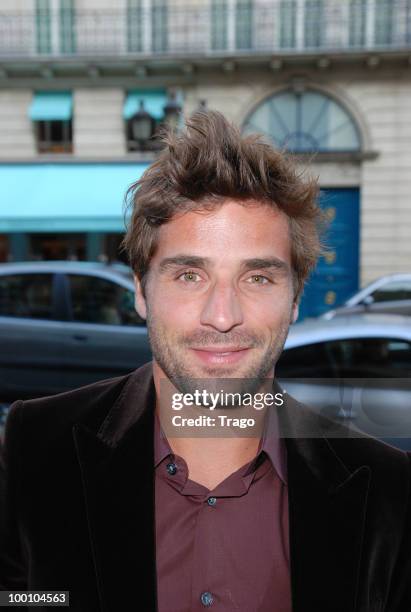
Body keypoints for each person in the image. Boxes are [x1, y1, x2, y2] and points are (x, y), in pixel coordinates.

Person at [1, 111, 410, 612]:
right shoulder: (35, 450)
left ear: (297, 298)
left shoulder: (388, 491)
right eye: (189, 275)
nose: (222, 316)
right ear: (141, 292)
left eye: (258, 277)